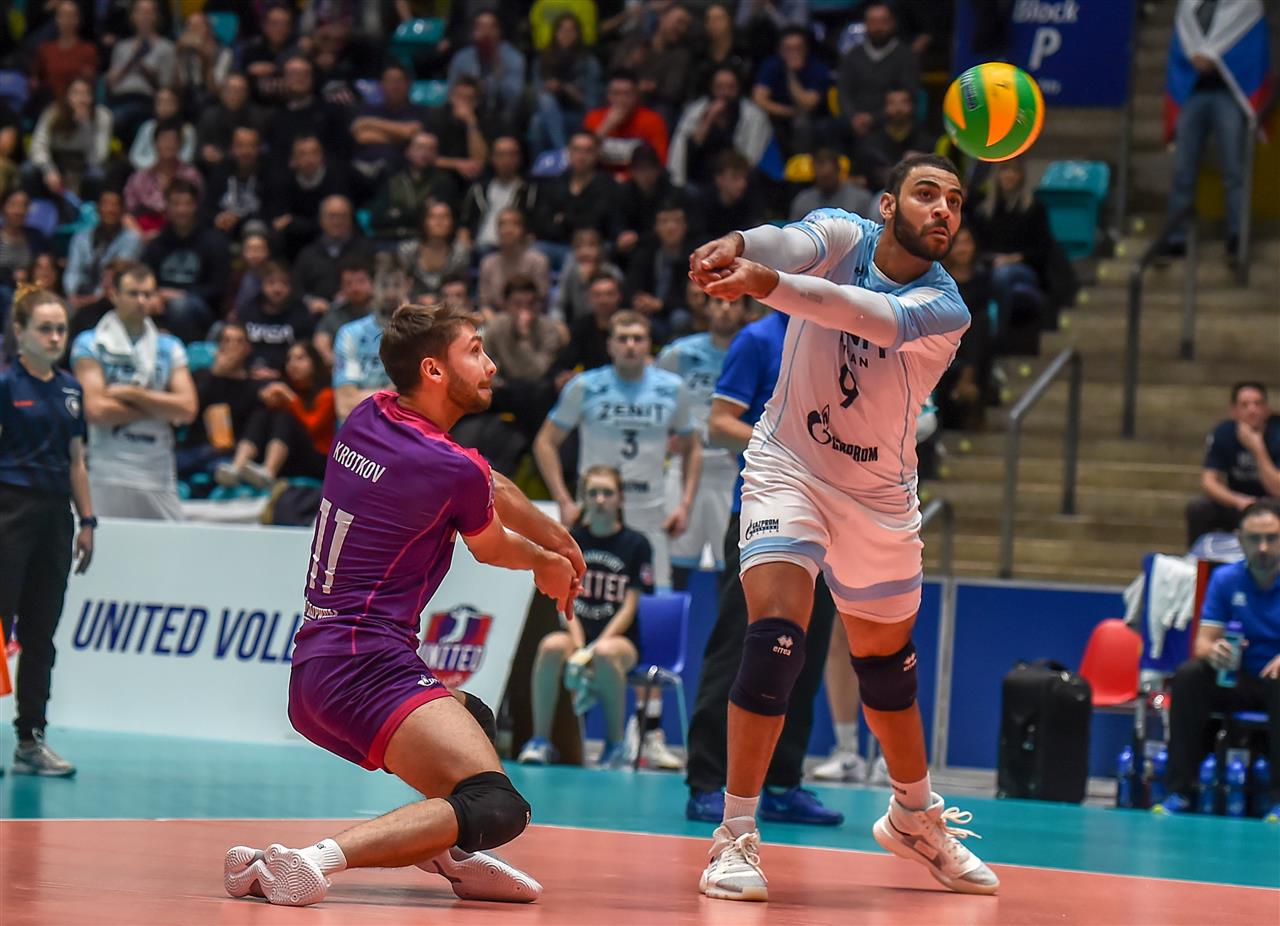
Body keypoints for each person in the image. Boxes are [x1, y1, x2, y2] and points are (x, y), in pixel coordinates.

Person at [688, 153, 999, 899]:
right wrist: (741, 244)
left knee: (886, 669)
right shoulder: (840, 234)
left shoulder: (945, 306)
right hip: (789, 466)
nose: (944, 210)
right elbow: (787, 240)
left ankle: (913, 816)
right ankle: (734, 834)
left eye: (955, 201)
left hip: (879, 497)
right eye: (927, 194)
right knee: (775, 639)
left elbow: (865, 317)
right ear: (888, 205)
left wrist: (764, 284)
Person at [222, 301, 582, 908]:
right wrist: (547, 563)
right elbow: (492, 546)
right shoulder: (448, 467)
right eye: (475, 351)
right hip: (366, 667)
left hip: (317, 666)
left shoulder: (369, 414)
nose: (491, 365)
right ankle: (312, 861)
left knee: (474, 719)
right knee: (496, 805)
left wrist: (559, 540)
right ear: (434, 370)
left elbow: (487, 481)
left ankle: (446, 851)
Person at [683, 307, 844, 828]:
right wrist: (790, 447)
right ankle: (708, 781)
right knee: (741, 646)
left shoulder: (841, 337)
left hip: (825, 520)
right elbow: (720, 424)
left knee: (805, 652)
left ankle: (781, 783)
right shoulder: (757, 339)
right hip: (761, 513)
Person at [534, 310, 701, 592]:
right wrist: (563, 500)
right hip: (595, 510)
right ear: (610, 345)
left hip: (650, 510)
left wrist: (685, 505)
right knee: (586, 594)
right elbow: (545, 442)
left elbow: (693, 446)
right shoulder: (585, 386)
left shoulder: (673, 389)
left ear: (649, 344)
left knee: (655, 597)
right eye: (623, 339)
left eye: (638, 338)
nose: (630, 346)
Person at [0, 287, 95, 777]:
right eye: (45, 328)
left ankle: (30, 740)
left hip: (56, 519)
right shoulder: (5, 385)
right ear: (20, 332)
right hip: (9, 512)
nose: (55, 337)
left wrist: (88, 520)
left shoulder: (71, 390)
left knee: (42, 633)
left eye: (61, 328)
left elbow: (77, 462)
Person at [518, 465, 653, 768]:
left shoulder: (637, 545)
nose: (600, 499)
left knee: (605, 653)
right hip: (577, 633)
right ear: (584, 499)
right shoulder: (571, 541)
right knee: (551, 646)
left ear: (620, 499)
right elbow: (564, 598)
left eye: (607, 493)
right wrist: (579, 646)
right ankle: (540, 741)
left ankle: (615, 745)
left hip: (619, 641)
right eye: (593, 493)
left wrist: (593, 649)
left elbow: (629, 606)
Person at [1156, 499, 1280, 821]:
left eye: (1272, 538)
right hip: (1237, 678)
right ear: (1240, 540)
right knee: (1189, 675)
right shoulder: (1225, 579)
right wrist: (1215, 652)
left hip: (1276, 681)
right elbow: (1202, 642)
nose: (1263, 547)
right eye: (1254, 539)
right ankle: (1181, 791)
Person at [71, 261, 197, 520]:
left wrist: (132, 394)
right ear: (114, 294)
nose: (141, 301)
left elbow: (187, 409)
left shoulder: (170, 347)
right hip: (108, 469)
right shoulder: (90, 343)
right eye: (133, 293)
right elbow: (96, 410)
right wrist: (160, 408)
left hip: (157, 471)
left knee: (170, 543)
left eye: (147, 294)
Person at [1161, 0, 1272, 262]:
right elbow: (1182, 39)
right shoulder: (1189, 4)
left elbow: (1252, 46)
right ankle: (1176, 237)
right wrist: (1195, 57)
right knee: (1183, 170)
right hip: (1193, 92)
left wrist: (1213, 56)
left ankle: (1237, 235)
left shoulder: (1246, 4)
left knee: (1234, 170)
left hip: (1229, 95)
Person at [659, 295, 747, 592]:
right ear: (706, 307)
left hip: (731, 469)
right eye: (719, 302)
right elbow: (655, 394)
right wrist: (665, 435)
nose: (726, 309)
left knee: (731, 564)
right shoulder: (680, 353)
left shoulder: (752, 350)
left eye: (734, 303)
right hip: (683, 468)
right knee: (674, 565)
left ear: (744, 309)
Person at [216, 341, 335, 489]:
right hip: (289, 459)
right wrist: (265, 400)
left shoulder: (327, 394)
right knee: (262, 414)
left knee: (284, 417)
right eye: (289, 359)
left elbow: (312, 427)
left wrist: (290, 399)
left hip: (317, 459)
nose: (293, 364)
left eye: (300, 358)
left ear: (314, 362)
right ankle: (237, 467)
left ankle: (268, 472)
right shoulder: (285, 389)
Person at [1187, 382, 1280, 544]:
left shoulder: (1277, 433)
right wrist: (1238, 500)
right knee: (1198, 507)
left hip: (1273, 503)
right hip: (1238, 501)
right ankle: (1198, 557)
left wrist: (1258, 449)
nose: (1252, 410)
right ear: (1234, 411)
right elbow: (1208, 481)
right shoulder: (1223, 432)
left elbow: (1277, 489)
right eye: (1245, 405)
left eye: (1257, 404)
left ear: (1267, 409)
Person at [142, 177, 231, 343]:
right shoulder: (157, 242)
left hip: (201, 310)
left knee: (180, 306)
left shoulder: (214, 241)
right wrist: (152, 296)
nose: (181, 210)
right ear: (167, 207)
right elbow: (145, 276)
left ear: (196, 206)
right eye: (175, 204)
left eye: (187, 204)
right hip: (161, 302)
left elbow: (218, 287)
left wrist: (181, 295)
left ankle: (183, 353)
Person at [669, 66, 774, 190]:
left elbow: (752, 157)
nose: (724, 93)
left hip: (737, 179)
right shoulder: (696, 111)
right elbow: (688, 147)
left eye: (730, 87)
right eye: (719, 87)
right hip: (700, 177)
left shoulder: (753, 116)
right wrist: (708, 119)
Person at [836, 1, 920, 145]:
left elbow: (909, 96)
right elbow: (843, 92)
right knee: (826, 130)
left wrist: (874, 118)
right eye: (873, 22)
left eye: (883, 21)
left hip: (889, 120)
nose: (878, 27)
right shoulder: (852, 56)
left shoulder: (906, 56)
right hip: (853, 121)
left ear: (893, 23)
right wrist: (853, 117)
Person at [25, 77, 113, 205]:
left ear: (93, 97)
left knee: (97, 175)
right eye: (76, 93)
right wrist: (48, 170)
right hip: (54, 161)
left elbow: (98, 156)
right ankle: (36, 209)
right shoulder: (53, 112)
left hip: (84, 165)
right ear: (67, 96)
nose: (81, 99)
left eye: (86, 94)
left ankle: (88, 211)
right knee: (28, 170)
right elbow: (38, 145)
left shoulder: (102, 116)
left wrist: (84, 125)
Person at [529, 12, 604, 156]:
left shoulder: (589, 62)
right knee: (542, 109)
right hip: (549, 111)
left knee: (538, 122)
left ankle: (562, 154)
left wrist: (569, 90)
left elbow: (593, 104)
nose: (566, 35)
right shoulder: (542, 60)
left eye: (571, 31)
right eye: (562, 30)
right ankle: (561, 153)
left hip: (577, 113)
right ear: (555, 33)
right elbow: (536, 97)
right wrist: (547, 88)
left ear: (578, 34)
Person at [751, 27, 830, 157]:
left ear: (806, 49)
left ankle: (800, 164)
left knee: (802, 123)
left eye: (798, 48)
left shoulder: (817, 67)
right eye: (788, 49)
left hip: (811, 116)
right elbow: (759, 99)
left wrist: (791, 75)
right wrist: (788, 112)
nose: (793, 53)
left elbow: (807, 104)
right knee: (759, 119)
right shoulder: (771, 65)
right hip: (779, 114)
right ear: (780, 50)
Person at [370, 133, 463, 241]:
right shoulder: (393, 180)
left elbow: (437, 218)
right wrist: (419, 210)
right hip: (389, 237)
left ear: (436, 154)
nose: (425, 153)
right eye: (420, 147)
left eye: (431, 149)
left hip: (423, 240)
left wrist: (398, 213)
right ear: (408, 152)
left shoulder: (444, 182)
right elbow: (377, 218)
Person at [583, 71, 671, 178]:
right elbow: (581, 157)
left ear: (636, 95)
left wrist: (625, 178)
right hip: (600, 179)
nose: (621, 100)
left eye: (627, 94)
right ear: (608, 95)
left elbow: (660, 161)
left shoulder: (653, 121)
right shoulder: (594, 118)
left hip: (638, 181)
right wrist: (606, 127)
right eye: (616, 93)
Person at [237, 260, 314, 380]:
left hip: (289, 378)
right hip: (248, 376)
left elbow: (305, 353)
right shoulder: (247, 311)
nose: (277, 289)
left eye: (283, 283)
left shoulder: (301, 314)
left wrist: (281, 374)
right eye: (271, 283)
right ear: (262, 284)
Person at [477, 208, 550, 315]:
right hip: (496, 318)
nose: (508, 230)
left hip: (529, 316)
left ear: (523, 230)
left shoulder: (538, 261)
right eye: (502, 225)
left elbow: (540, 301)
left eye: (514, 224)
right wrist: (494, 321)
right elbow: (484, 304)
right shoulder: (487, 263)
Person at [398, 202, 474, 301]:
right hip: (413, 305)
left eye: (444, 217)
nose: (439, 222)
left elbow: (461, 288)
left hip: (448, 305)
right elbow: (401, 286)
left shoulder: (460, 253)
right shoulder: (407, 251)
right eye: (432, 217)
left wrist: (437, 301)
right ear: (424, 221)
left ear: (452, 222)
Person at [789, 147, 874, 222]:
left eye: (827, 177)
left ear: (838, 170)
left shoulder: (861, 199)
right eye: (820, 178)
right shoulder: (803, 201)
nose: (824, 182)